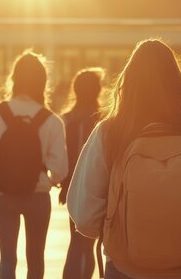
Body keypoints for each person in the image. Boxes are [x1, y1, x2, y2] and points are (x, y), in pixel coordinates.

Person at [67, 39, 181, 279]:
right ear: (178, 84)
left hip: (126, 269)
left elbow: (84, 217)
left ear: (128, 83)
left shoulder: (108, 134)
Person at [0, 50, 68, 279]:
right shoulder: (51, 120)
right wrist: (45, 181)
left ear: (14, 78)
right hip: (37, 196)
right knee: (36, 257)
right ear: (42, 81)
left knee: (7, 257)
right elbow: (61, 168)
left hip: (1, 195)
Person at [60, 68, 105, 279]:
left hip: (72, 188)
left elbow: (62, 157)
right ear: (98, 90)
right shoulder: (105, 121)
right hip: (101, 189)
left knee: (76, 242)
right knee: (90, 244)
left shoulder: (66, 119)